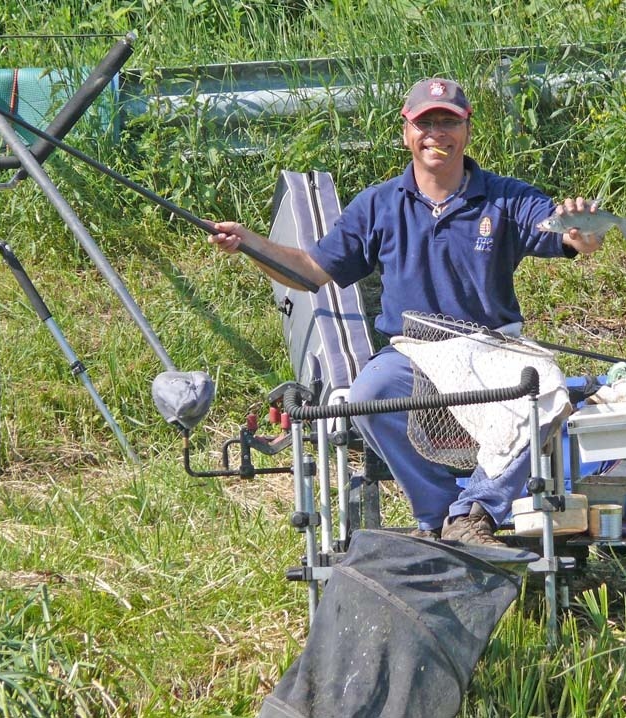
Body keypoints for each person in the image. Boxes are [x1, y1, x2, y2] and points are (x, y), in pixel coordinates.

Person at [209, 77, 605, 547]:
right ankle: (438, 517)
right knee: (369, 394)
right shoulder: (378, 205)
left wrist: (585, 231)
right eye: (425, 123)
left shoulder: (507, 197)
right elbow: (311, 271)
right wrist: (249, 243)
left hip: (490, 349)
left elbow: (567, 233)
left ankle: (475, 513)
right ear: (406, 132)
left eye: (448, 122)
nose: (436, 133)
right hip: (413, 353)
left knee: (544, 390)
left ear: (467, 130)